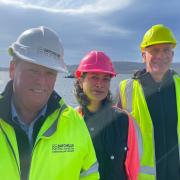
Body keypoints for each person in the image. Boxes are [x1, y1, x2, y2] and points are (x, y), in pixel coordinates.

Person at [0, 26, 99, 180]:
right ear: (13, 69)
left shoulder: (74, 124)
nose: (41, 82)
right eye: (33, 70)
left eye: (49, 73)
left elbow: (90, 175)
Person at [117, 24, 180, 179]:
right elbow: (115, 135)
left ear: (172, 54)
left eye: (166, 50)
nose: (161, 55)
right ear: (143, 55)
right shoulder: (126, 89)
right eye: (154, 50)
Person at [74, 50, 139, 180]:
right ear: (81, 81)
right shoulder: (73, 120)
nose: (100, 84)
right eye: (94, 77)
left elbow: (132, 167)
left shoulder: (124, 120)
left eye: (105, 79)